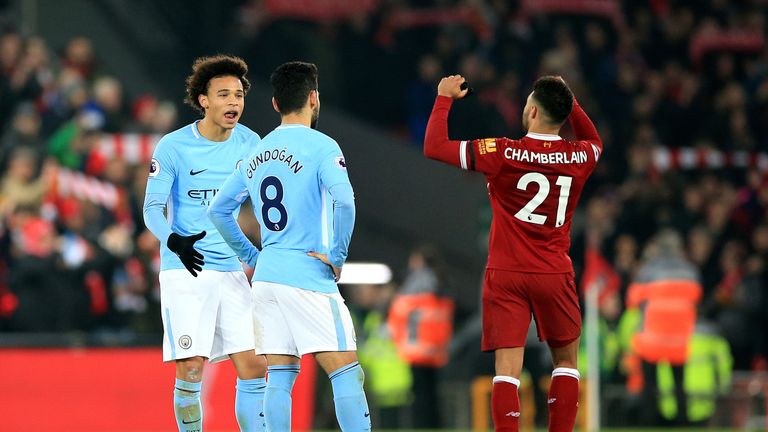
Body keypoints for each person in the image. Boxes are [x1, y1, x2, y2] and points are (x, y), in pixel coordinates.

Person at [424, 74, 602, 432]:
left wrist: (443, 98)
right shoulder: (581, 155)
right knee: (565, 363)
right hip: (554, 273)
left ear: (532, 111)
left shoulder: (502, 151)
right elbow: (594, 139)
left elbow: (434, 146)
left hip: (506, 273)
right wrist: (571, 103)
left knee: (507, 371)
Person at [208, 61, 370, 431]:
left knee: (280, 375)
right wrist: (339, 255)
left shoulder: (256, 153)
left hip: (267, 279)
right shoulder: (322, 146)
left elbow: (219, 211)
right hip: (308, 273)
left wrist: (253, 256)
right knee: (346, 371)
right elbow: (345, 201)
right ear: (313, 98)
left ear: (275, 104)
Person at [142, 55, 267, 432]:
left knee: (254, 364)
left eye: (239, 95)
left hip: (230, 269)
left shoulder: (251, 142)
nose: (234, 102)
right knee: (191, 367)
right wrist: (173, 239)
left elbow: (264, 204)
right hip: (186, 268)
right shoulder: (174, 146)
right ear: (203, 100)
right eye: (224, 94)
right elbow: (151, 209)